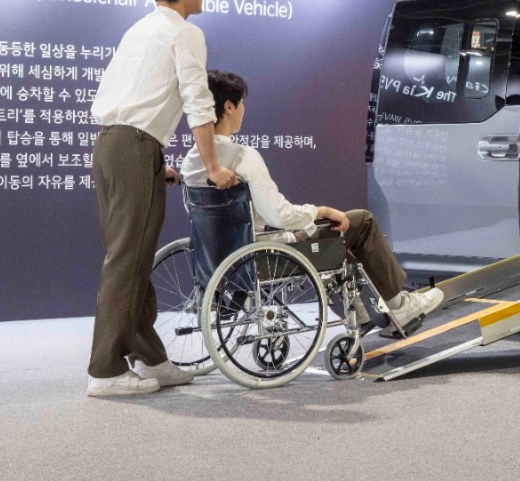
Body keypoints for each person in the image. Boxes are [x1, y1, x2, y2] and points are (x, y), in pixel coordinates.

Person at [180, 70, 443, 336]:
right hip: (265, 255)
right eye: (241, 104)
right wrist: (321, 211)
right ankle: (399, 305)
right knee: (361, 222)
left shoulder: (191, 162)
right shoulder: (242, 156)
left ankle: (363, 316)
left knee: (336, 237)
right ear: (229, 106)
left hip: (218, 258)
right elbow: (280, 216)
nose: (243, 110)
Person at [87, 0, 239, 398]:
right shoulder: (185, 32)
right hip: (134, 148)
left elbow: (131, 99)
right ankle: (104, 371)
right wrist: (212, 167)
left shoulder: (139, 29)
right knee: (126, 261)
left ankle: (151, 358)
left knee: (131, 258)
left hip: (115, 146)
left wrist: (154, 162)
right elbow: (198, 103)